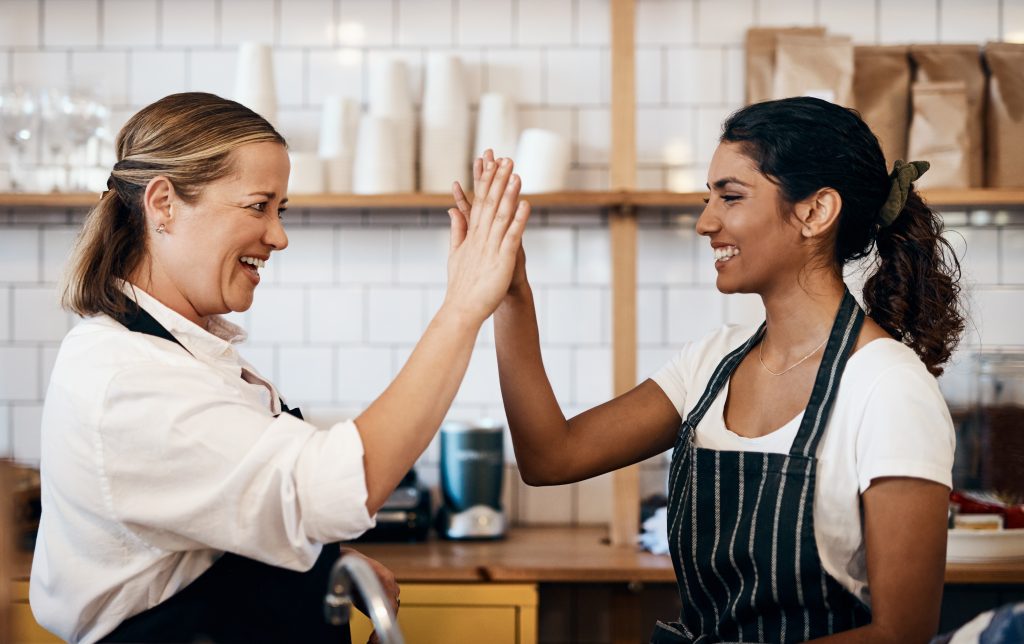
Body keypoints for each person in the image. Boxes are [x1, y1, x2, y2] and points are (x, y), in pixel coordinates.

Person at [455, 97, 965, 643]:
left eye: (730, 197)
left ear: (815, 212)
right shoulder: (710, 365)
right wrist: (510, 295)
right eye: (709, 198)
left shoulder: (888, 388)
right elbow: (549, 457)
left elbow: (903, 633)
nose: (705, 222)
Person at [31, 91, 529, 644]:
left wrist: (320, 563)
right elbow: (329, 488)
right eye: (258, 205)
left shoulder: (174, 351)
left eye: (280, 209)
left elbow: (220, 516)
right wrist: (461, 308)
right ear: (164, 204)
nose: (278, 235)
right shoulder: (127, 378)